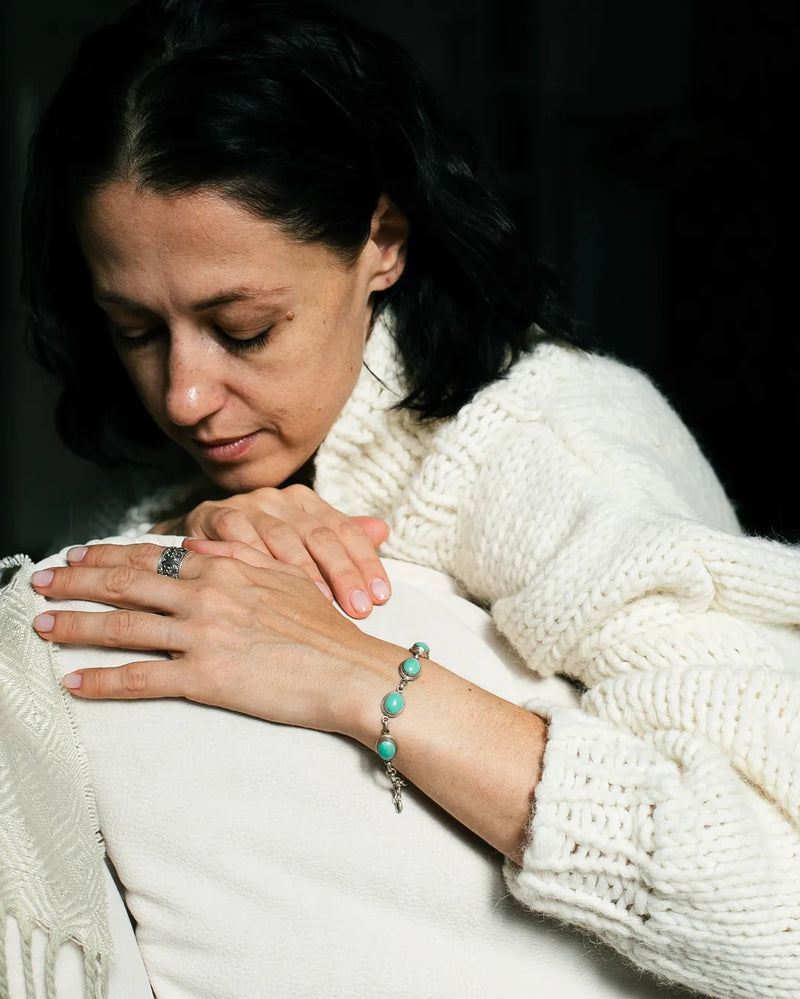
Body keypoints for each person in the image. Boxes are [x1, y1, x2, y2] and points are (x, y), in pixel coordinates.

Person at [3, 0, 799, 996]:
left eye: (242, 328)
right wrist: (186, 539)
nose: (185, 396)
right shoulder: (150, 487)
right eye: (134, 330)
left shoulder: (551, 447)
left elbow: (780, 911)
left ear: (381, 240)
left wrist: (355, 672)